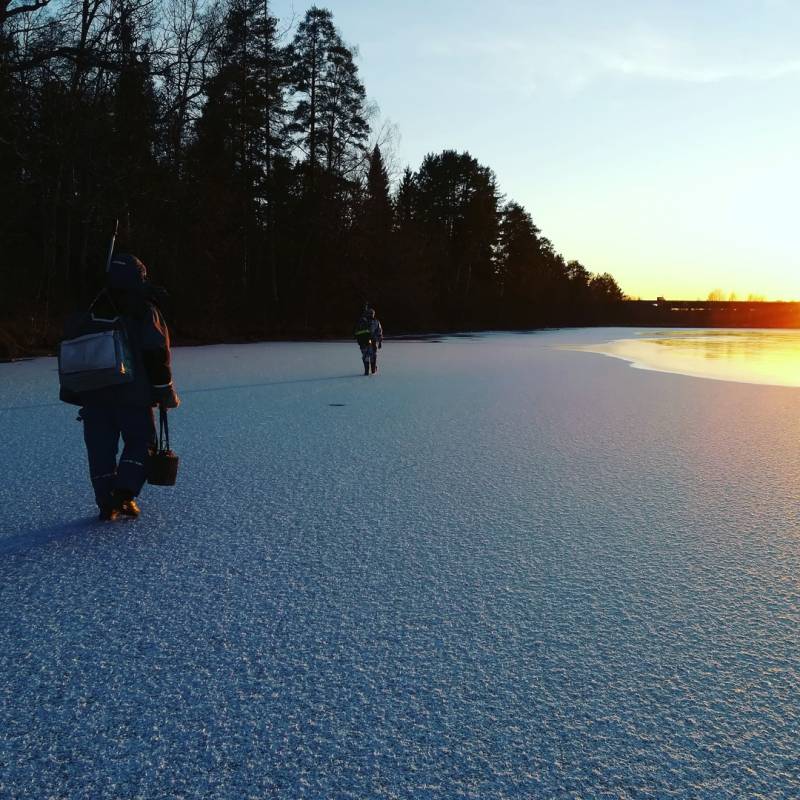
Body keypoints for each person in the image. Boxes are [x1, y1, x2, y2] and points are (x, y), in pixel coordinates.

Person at [60, 254, 180, 521]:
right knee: (141, 442)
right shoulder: (142, 308)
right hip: (132, 393)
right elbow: (155, 352)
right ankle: (123, 493)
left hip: (93, 391)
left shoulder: (89, 305)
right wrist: (164, 391)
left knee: (100, 447)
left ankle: (106, 501)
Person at [353, 304, 383, 375]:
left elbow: (356, 332)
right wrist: (380, 341)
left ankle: (368, 371)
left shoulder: (362, 321)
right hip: (371, 341)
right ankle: (372, 371)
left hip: (364, 342)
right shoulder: (375, 322)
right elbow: (379, 332)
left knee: (366, 356)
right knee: (372, 355)